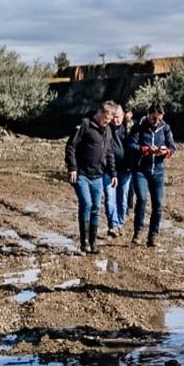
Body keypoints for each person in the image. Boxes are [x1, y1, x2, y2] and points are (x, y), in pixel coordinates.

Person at [64, 101, 118, 254]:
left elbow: (109, 154)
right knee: (86, 204)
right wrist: (72, 167)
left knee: (96, 207)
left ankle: (93, 242)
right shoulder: (85, 125)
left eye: (109, 121)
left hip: (98, 176)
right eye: (106, 119)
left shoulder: (107, 131)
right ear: (100, 113)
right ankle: (84, 242)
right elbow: (71, 146)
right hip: (81, 174)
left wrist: (113, 173)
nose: (107, 122)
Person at [129, 105, 176, 248]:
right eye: (153, 118)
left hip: (158, 171)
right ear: (148, 114)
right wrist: (146, 150)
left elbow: (172, 147)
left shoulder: (165, 128)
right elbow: (131, 145)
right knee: (142, 199)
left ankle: (153, 236)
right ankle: (138, 232)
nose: (156, 122)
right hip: (140, 170)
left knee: (158, 205)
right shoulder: (138, 127)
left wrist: (165, 152)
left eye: (159, 119)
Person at [104, 105, 134, 237]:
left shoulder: (129, 129)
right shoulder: (105, 129)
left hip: (125, 169)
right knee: (110, 197)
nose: (116, 120)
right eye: (114, 117)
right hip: (108, 170)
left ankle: (120, 223)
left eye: (118, 117)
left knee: (122, 199)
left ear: (123, 116)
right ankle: (113, 224)